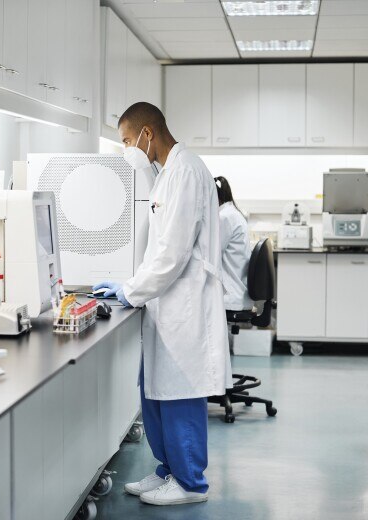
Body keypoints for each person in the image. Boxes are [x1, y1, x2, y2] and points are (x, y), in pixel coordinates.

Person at [93, 102, 229, 507]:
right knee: (154, 391)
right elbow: (161, 248)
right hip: (166, 304)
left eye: (126, 140)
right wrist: (130, 283)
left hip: (185, 306)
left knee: (180, 393)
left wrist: (132, 291)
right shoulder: (168, 174)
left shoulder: (185, 172)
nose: (126, 149)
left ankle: (191, 484)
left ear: (147, 134)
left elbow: (172, 254)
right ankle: (168, 470)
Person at [216, 176, 252, 313]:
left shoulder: (224, 217)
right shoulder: (233, 213)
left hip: (231, 296)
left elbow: (212, 253)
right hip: (238, 292)